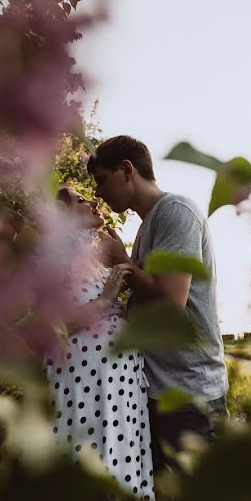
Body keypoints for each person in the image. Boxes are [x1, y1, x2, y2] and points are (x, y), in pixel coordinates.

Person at [87, 135, 229, 476]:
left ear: (127, 170)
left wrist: (122, 261)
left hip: (191, 397)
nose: (98, 193)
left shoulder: (176, 212)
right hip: (160, 393)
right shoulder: (147, 228)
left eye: (103, 180)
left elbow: (170, 301)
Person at [45, 186, 158, 501]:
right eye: (79, 201)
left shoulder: (88, 259)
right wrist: (108, 297)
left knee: (123, 475)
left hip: (120, 390)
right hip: (88, 390)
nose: (91, 202)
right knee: (97, 471)